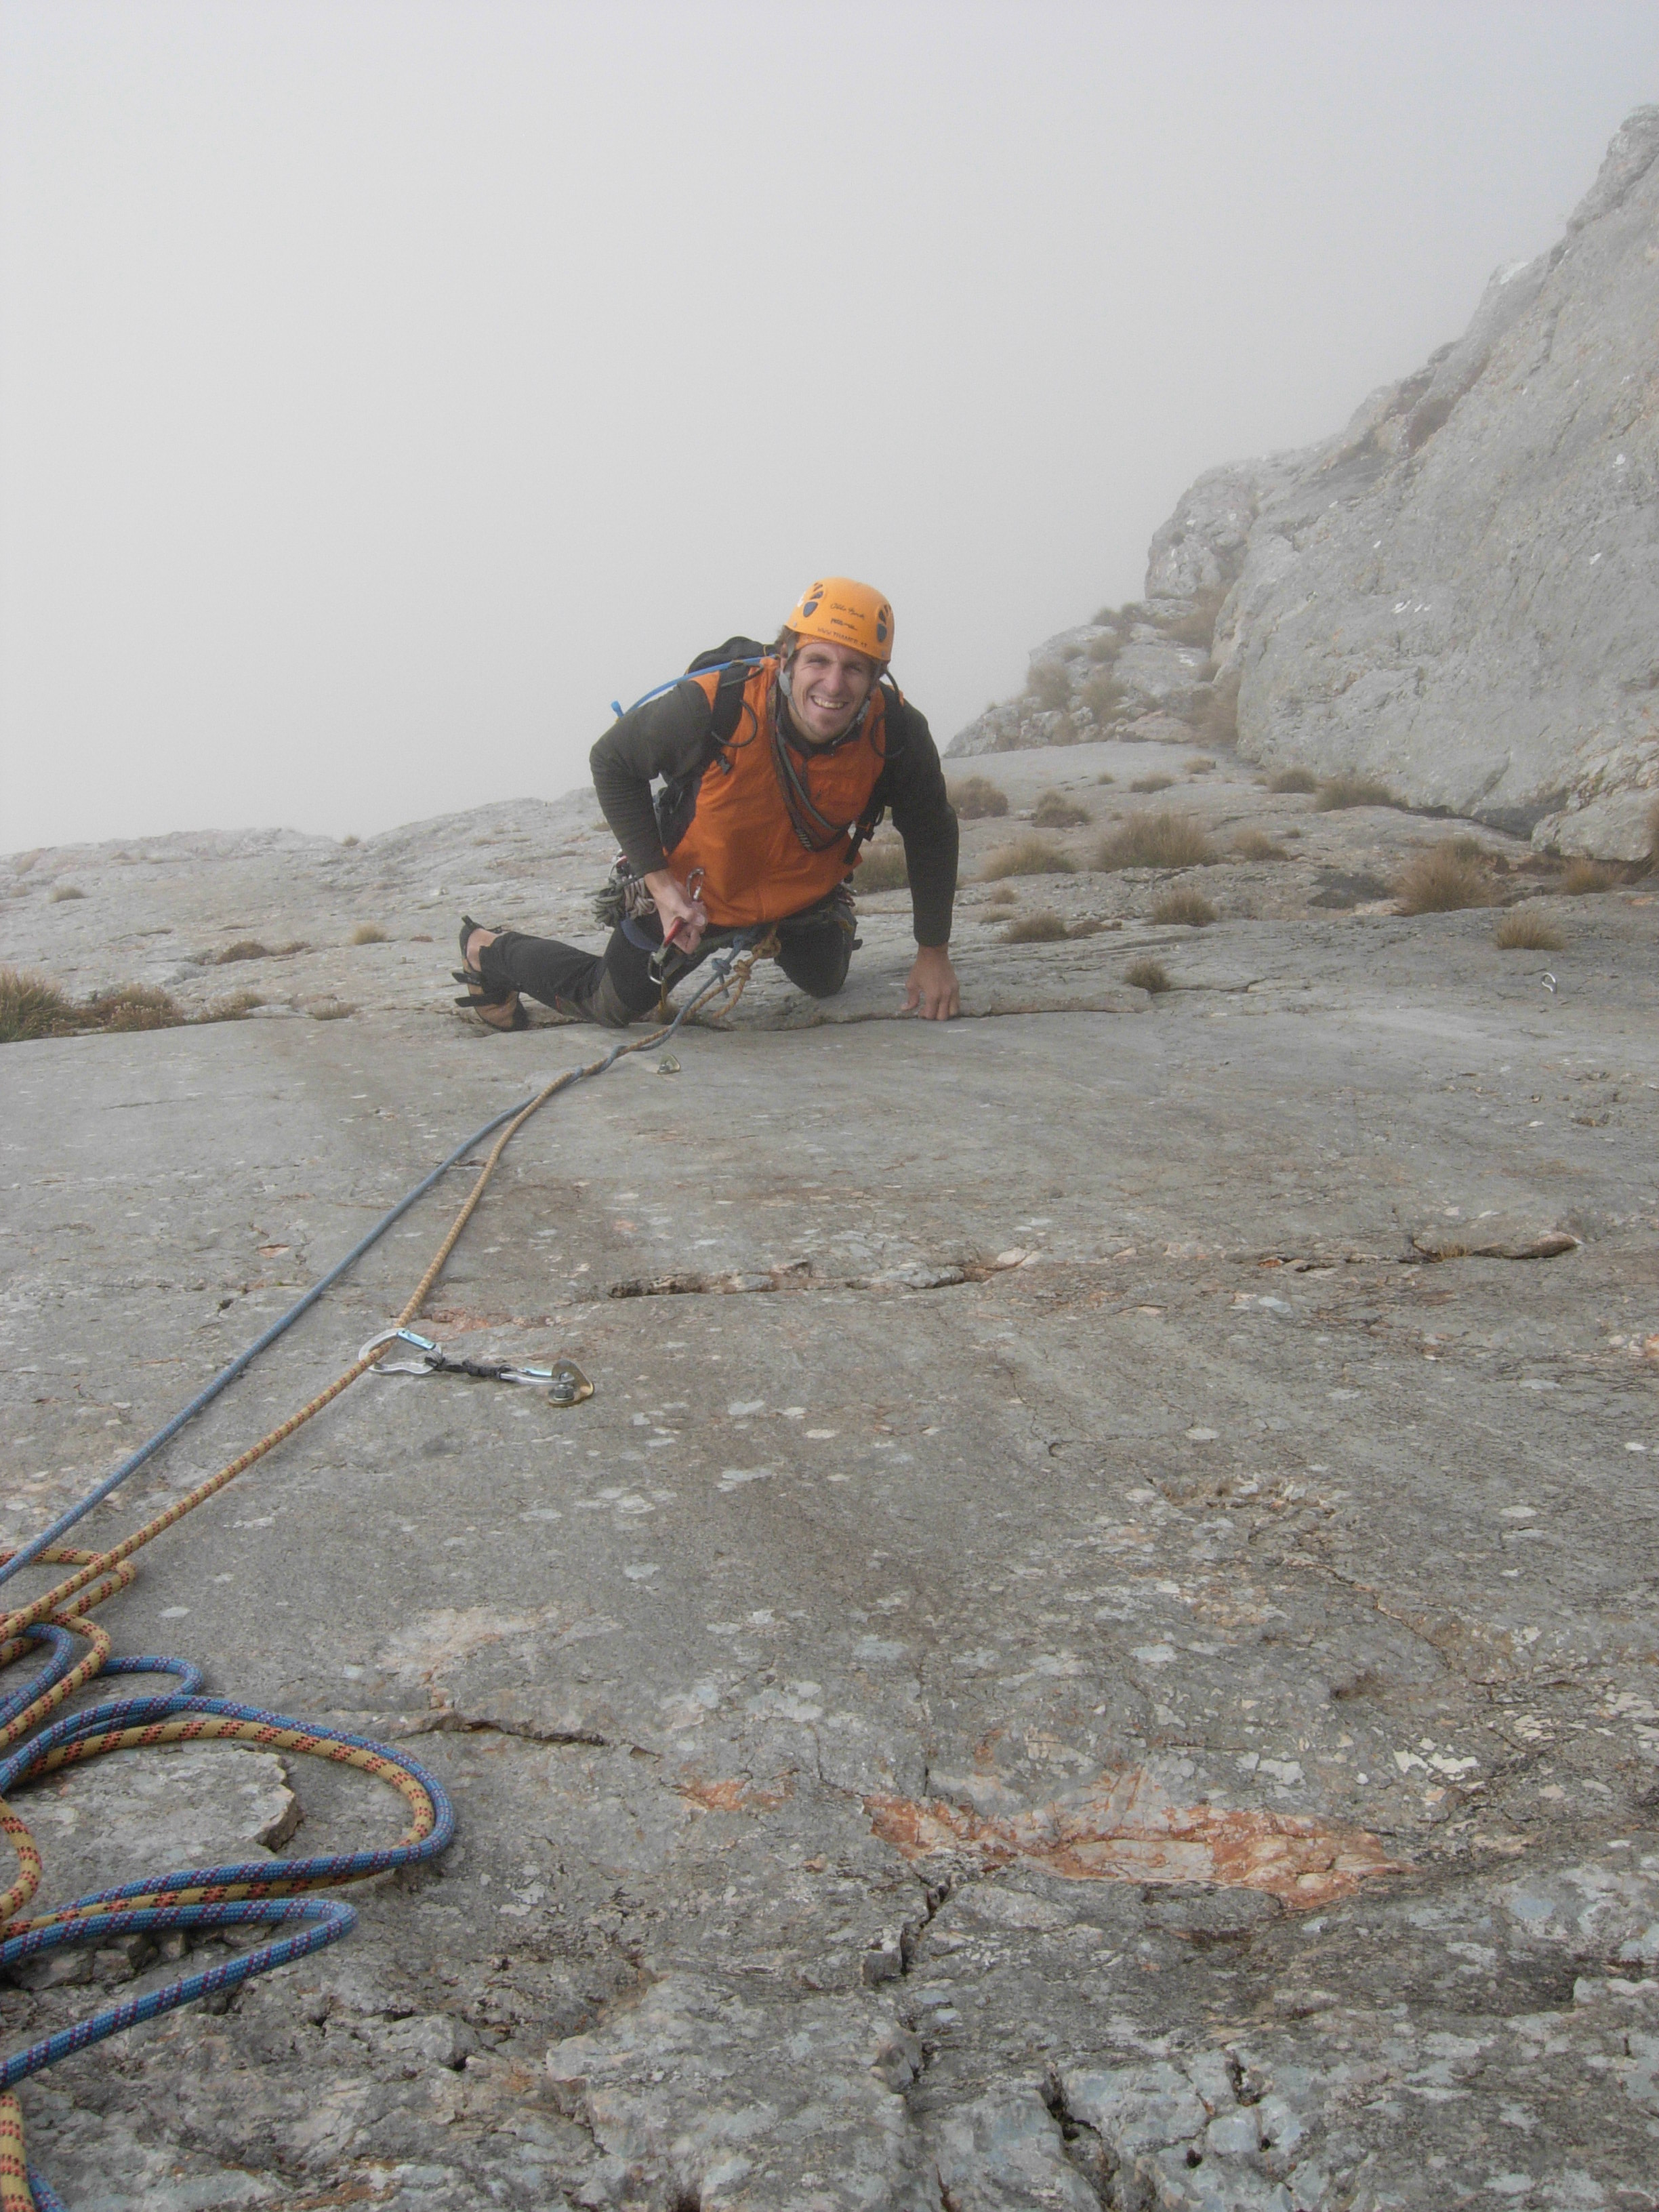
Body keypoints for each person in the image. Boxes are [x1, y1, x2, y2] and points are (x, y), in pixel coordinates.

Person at [454, 577, 961, 1029]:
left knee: (825, 980)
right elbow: (612, 761)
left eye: (854, 668)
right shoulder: (716, 703)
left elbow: (931, 830)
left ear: (876, 679)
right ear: (786, 656)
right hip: (695, 894)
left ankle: (794, 923)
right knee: (609, 1003)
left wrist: (933, 953)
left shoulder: (896, 730)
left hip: (802, 891)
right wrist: (660, 886)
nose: (833, 684)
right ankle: (489, 951)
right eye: (818, 660)